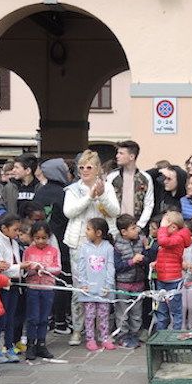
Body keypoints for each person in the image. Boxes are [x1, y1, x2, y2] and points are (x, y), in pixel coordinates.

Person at [63, 150, 120, 346]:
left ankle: (101, 330)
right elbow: (69, 212)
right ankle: (78, 329)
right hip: (79, 242)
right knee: (80, 286)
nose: (85, 171)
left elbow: (115, 211)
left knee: (104, 284)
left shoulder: (107, 187)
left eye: (89, 167)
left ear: (98, 169)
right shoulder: (72, 189)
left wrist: (101, 195)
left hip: (102, 242)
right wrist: (89, 196)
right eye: (81, 167)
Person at [32, 157, 71, 334]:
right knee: (62, 280)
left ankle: (45, 318)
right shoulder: (65, 193)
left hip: (41, 241)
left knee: (42, 279)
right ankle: (61, 320)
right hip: (62, 241)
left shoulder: (40, 192)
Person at [0, 213, 28, 363]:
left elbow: (13, 264)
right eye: (15, 230)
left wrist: (21, 268)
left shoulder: (14, 243)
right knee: (1, 318)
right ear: (4, 228)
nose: (17, 233)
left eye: (19, 230)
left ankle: (9, 345)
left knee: (11, 317)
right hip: (3, 285)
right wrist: (20, 267)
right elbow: (2, 267)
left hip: (14, 284)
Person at [113, 214, 154, 349]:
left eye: (136, 227)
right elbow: (117, 266)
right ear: (123, 232)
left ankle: (135, 334)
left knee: (137, 313)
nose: (137, 230)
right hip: (123, 285)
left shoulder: (141, 241)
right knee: (123, 313)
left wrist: (144, 254)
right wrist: (132, 261)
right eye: (133, 228)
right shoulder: (117, 245)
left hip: (138, 284)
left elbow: (147, 259)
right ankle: (123, 336)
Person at [22, 221, 61, 360]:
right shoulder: (28, 251)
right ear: (32, 237)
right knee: (33, 318)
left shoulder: (54, 251)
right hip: (32, 288)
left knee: (44, 318)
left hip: (48, 288)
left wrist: (45, 268)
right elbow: (24, 270)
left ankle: (41, 344)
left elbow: (58, 268)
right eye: (37, 238)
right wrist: (33, 269)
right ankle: (30, 345)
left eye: (44, 238)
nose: (40, 241)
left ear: (49, 237)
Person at [76, 217, 116, 351]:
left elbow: (110, 267)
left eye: (88, 229)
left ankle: (104, 338)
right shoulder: (84, 247)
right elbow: (81, 267)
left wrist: (109, 285)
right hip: (88, 289)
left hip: (103, 289)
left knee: (104, 315)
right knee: (89, 315)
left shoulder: (108, 247)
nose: (86, 232)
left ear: (98, 233)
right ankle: (90, 339)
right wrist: (82, 283)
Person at [154, 210, 192, 330]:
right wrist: (157, 264)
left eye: (166, 225)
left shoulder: (178, 238)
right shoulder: (171, 237)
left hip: (173, 280)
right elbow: (167, 255)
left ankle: (175, 335)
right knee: (161, 310)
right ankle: (161, 334)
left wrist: (162, 228)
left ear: (174, 227)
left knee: (175, 311)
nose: (163, 229)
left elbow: (163, 242)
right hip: (162, 278)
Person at [108, 140, 155, 230]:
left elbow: (149, 204)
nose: (117, 156)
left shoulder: (145, 178)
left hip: (136, 226)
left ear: (131, 156)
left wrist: (140, 225)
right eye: (117, 153)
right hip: (115, 226)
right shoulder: (112, 177)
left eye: (121, 153)